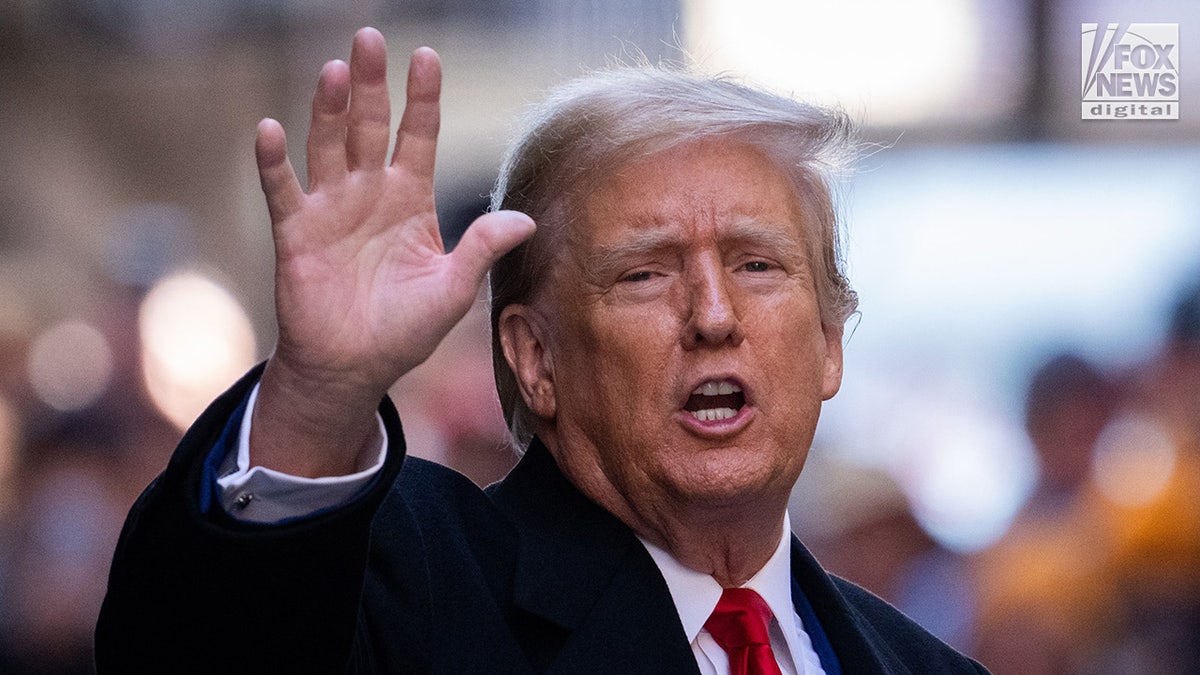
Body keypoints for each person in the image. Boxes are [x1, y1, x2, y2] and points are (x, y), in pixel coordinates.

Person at [96, 27, 988, 674]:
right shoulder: (412, 579)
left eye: (758, 265)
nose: (713, 313)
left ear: (830, 343)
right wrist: (318, 395)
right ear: (535, 359)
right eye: (644, 274)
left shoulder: (929, 666)